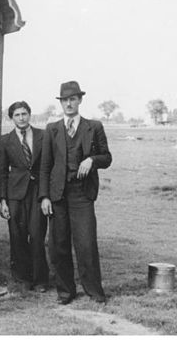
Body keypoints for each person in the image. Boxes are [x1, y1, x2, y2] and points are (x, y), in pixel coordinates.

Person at [39, 81, 112, 305]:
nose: (68, 104)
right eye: (64, 100)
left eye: (72, 99)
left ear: (80, 100)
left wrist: (92, 159)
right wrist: (44, 196)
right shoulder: (52, 129)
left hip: (82, 195)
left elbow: (107, 158)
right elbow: (45, 165)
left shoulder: (94, 127)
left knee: (86, 243)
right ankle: (65, 291)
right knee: (58, 245)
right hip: (58, 195)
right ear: (60, 103)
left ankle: (94, 291)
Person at [0, 101, 49, 292]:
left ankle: (41, 279)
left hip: (37, 192)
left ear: (30, 115)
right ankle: (23, 278)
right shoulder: (5, 140)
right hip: (14, 194)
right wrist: (3, 200)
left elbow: (46, 167)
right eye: (17, 115)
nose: (21, 118)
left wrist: (45, 196)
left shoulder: (43, 136)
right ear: (12, 118)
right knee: (17, 236)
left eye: (24, 114)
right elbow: (1, 171)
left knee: (37, 234)